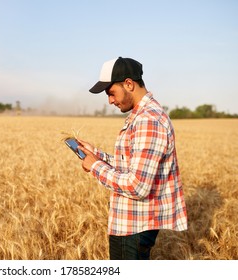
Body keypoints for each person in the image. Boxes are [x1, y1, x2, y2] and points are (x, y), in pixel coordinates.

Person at [77, 57, 188, 260]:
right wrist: (97, 155)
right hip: (131, 224)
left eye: (111, 93)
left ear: (128, 84)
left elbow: (137, 185)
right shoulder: (142, 115)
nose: (110, 100)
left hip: (133, 228)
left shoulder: (148, 120)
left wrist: (95, 167)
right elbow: (130, 164)